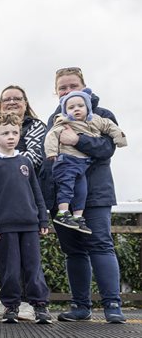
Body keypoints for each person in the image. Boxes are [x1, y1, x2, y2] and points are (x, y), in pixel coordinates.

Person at [40, 67, 127, 323]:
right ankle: (81, 306)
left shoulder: (102, 115)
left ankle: (113, 304)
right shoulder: (55, 118)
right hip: (65, 196)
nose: (68, 91)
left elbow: (107, 149)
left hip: (96, 193)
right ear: (57, 92)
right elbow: (49, 159)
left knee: (101, 245)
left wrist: (77, 140)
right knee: (74, 251)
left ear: (84, 86)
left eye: (73, 86)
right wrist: (49, 200)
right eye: (63, 88)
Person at [0, 85, 44, 321]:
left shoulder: (25, 161)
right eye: (5, 134)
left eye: (14, 133)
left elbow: (36, 192)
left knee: (34, 268)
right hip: (5, 226)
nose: (11, 137)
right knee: (10, 269)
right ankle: (11, 306)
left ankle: (39, 306)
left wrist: (42, 219)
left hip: (29, 224)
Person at [45, 89, 127, 233]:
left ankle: (77, 217)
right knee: (67, 187)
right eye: (71, 108)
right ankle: (62, 213)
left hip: (82, 165)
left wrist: (120, 139)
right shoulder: (63, 121)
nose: (76, 109)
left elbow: (110, 126)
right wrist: (51, 152)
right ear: (65, 111)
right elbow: (51, 135)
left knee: (81, 191)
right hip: (67, 161)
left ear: (87, 107)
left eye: (80, 106)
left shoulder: (96, 119)